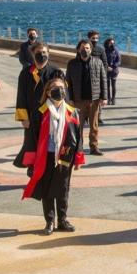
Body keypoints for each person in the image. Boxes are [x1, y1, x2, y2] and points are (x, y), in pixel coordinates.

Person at [21, 78, 85, 235]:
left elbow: (79, 136)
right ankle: (49, 221)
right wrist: (31, 161)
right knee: (46, 190)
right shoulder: (39, 112)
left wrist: (78, 158)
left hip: (65, 157)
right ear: (48, 92)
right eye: (55, 88)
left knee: (63, 189)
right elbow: (31, 138)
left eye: (62, 88)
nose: (59, 91)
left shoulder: (73, 111)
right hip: (45, 157)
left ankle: (62, 220)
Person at [14, 42, 65, 168]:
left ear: (48, 54)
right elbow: (21, 96)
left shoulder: (56, 72)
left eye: (44, 52)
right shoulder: (25, 73)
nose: (41, 55)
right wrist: (23, 117)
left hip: (50, 115)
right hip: (31, 116)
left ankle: (46, 169)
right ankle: (32, 169)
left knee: (48, 144)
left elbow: (63, 96)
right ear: (32, 53)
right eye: (38, 53)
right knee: (31, 144)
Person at [66, 39, 107, 156]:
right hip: (78, 101)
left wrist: (104, 97)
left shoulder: (98, 62)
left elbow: (103, 80)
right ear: (78, 49)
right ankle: (78, 148)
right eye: (83, 48)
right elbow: (67, 82)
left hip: (94, 100)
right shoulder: (72, 64)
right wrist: (70, 99)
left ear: (91, 50)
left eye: (87, 48)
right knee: (78, 126)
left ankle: (94, 147)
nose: (85, 50)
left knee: (94, 126)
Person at [104, 38, 121, 106]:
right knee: (107, 86)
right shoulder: (104, 50)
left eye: (113, 43)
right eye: (111, 43)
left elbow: (119, 60)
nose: (112, 44)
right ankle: (108, 98)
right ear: (107, 43)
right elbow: (103, 59)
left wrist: (114, 66)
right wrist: (107, 67)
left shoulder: (116, 50)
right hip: (106, 70)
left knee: (113, 85)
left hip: (114, 70)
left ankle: (113, 99)